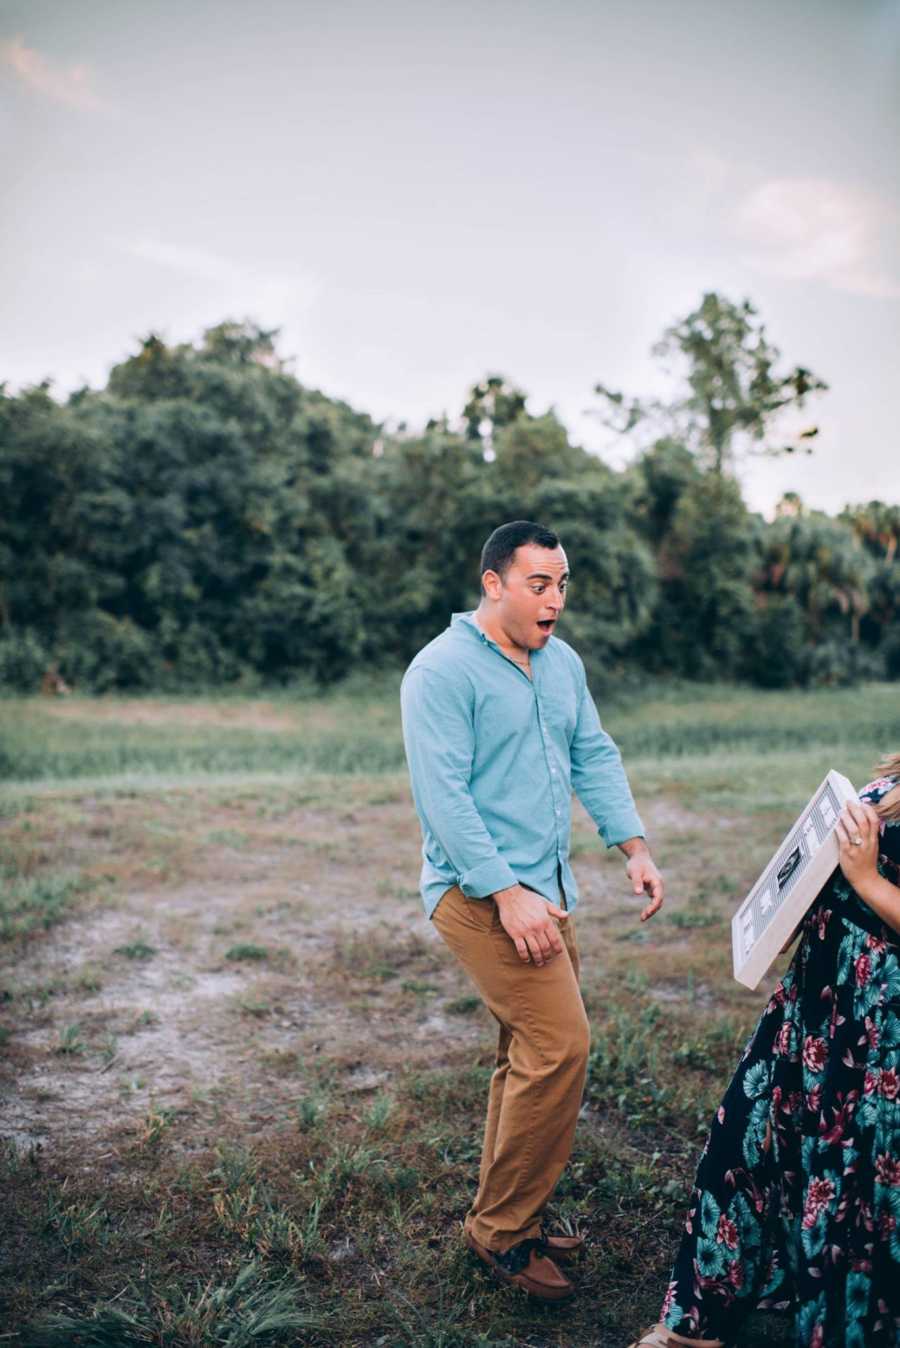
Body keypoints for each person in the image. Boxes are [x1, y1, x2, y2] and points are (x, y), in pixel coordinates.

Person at [400, 519, 664, 1303]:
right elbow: (442, 797)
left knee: (528, 1056)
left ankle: (516, 1207)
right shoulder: (440, 672)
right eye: (537, 584)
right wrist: (507, 894)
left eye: (562, 584)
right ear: (494, 585)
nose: (555, 600)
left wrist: (634, 846)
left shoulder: (561, 664)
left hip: (546, 893)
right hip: (479, 894)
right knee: (560, 1049)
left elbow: (593, 751)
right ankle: (501, 1234)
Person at [628, 755, 900, 1348]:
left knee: (846, 1194)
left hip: (878, 1029)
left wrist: (868, 883)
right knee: (742, 1144)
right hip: (818, 997)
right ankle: (694, 1326)